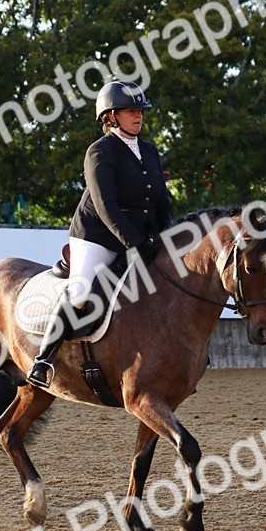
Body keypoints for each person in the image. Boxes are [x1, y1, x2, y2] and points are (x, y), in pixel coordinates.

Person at [26, 78, 174, 388]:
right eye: (131, 110)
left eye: (140, 110)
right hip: (97, 235)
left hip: (138, 236)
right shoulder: (100, 152)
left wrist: (166, 238)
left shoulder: (148, 151)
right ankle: (43, 360)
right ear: (110, 116)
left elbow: (161, 200)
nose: (139, 116)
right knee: (80, 293)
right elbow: (107, 206)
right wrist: (134, 242)